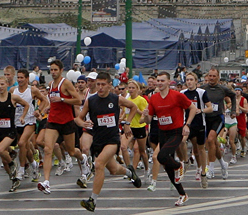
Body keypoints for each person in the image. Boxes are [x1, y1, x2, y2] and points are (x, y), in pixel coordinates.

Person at [76, 72, 140, 212]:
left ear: (110, 85)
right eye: (98, 84)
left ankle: (92, 200)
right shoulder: (91, 101)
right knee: (113, 169)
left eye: (103, 85)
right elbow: (78, 118)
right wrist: (83, 123)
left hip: (112, 140)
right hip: (98, 140)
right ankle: (130, 173)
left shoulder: (116, 99)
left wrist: (127, 123)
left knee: (99, 164)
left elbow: (133, 107)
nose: (100, 87)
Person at [141, 71, 195, 207]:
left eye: (162, 81)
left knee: (161, 156)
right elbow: (148, 119)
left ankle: (179, 165)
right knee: (167, 166)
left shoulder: (177, 96)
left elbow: (192, 108)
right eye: (158, 81)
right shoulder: (153, 98)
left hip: (176, 132)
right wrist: (146, 115)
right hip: (162, 132)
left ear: (169, 82)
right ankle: (182, 194)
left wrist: (187, 124)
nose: (159, 83)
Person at [37, 60, 88, 194]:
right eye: (51, 70)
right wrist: (47, 109)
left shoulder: (65, 83)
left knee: (71, 151)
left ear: (61, 70)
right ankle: (46, 182)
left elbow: (78, 100)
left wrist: (63, 99)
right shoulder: (50, 84)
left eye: (55, 70)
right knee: (48, 149)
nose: (53, 72)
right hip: (53, 121)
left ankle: (83, 159)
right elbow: (53, 103)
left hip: (66, 122)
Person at [200, 68, 237, 180]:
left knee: (211, 140)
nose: (211, 78)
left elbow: (233, 96)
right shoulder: (202, 89)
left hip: (218, 118)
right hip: (206, 118)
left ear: (218, 77)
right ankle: (222, 164)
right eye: (210, 76)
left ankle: (211, 169)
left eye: (214, 76)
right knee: (212, 144)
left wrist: (234, 110)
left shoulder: (222, 89)